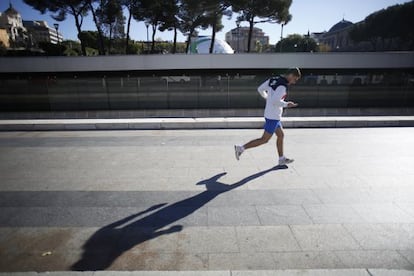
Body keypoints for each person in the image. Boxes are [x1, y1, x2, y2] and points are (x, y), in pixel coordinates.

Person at [234, 68, 301, 166]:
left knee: (281, 135)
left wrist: (266, 98)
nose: (294, 82)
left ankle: (281, 159)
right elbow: (275, 101)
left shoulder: (273, 79)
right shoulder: (282, 86)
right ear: (291, 75)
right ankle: (240, 148)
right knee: (264, 139)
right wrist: (287, 104)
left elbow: (260, 89)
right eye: (295, 79)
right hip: (273, 116)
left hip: (272, 115)